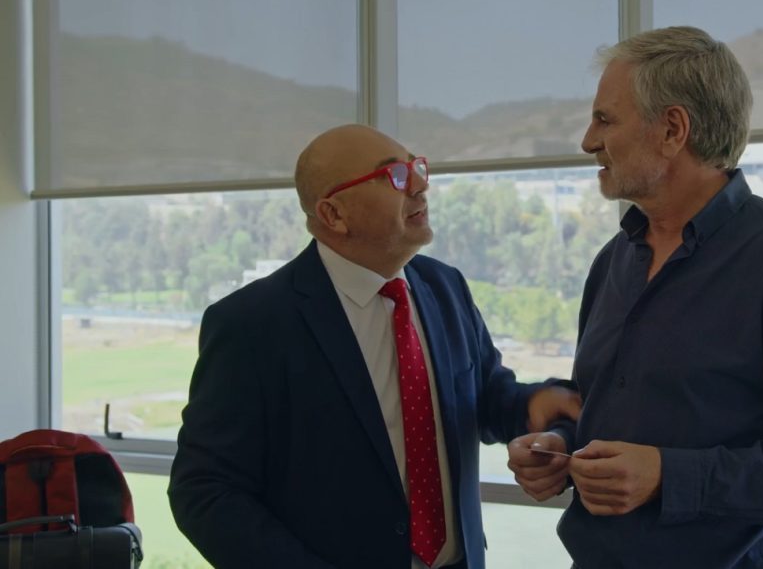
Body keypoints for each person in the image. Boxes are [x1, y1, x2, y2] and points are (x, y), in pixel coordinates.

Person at [508, 26, 763, 568]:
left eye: (605, 120)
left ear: (672, 129)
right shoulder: (613, 261)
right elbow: (615, 412)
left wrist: (670, 476)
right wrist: (564, 447)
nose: (588, 141)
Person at [169, 124, 581, 569]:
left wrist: (532, 407)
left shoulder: (445, 287)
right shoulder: (252, 323)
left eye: (416, 167)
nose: (420, 185)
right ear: (333, 214)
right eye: (395, 176)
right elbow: (204, 491)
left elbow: (484, 397)